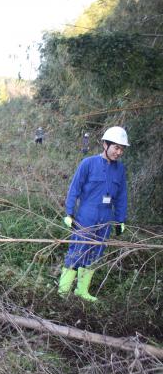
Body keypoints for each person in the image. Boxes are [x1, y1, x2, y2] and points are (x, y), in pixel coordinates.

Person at [58, 126, 129, 302]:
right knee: (77, 251)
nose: (119, 152)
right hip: (86, 215)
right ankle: (63, 291)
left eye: (122, 149)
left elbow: (121, 196)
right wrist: (69, 213)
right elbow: (74, 188)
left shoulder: (120, 169)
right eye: (116, 148)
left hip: (106, 218)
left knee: (95, 254)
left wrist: (120, 220)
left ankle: (82, 291)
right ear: (105, 144)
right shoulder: (88, 163)